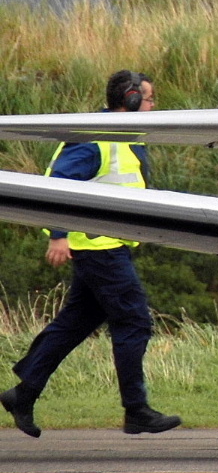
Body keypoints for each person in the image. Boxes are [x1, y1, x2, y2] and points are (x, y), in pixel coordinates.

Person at [2, 71, 181, 437]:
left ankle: (23, 393)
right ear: (129, 100)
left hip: (110, 248)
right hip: (101, 250)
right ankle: (136, 410)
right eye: (148, 99)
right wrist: (58, 235)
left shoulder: (124, 137)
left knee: (74, 325)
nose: (152, 106)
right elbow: (53, 186)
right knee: (134, 323)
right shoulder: (95, 139)